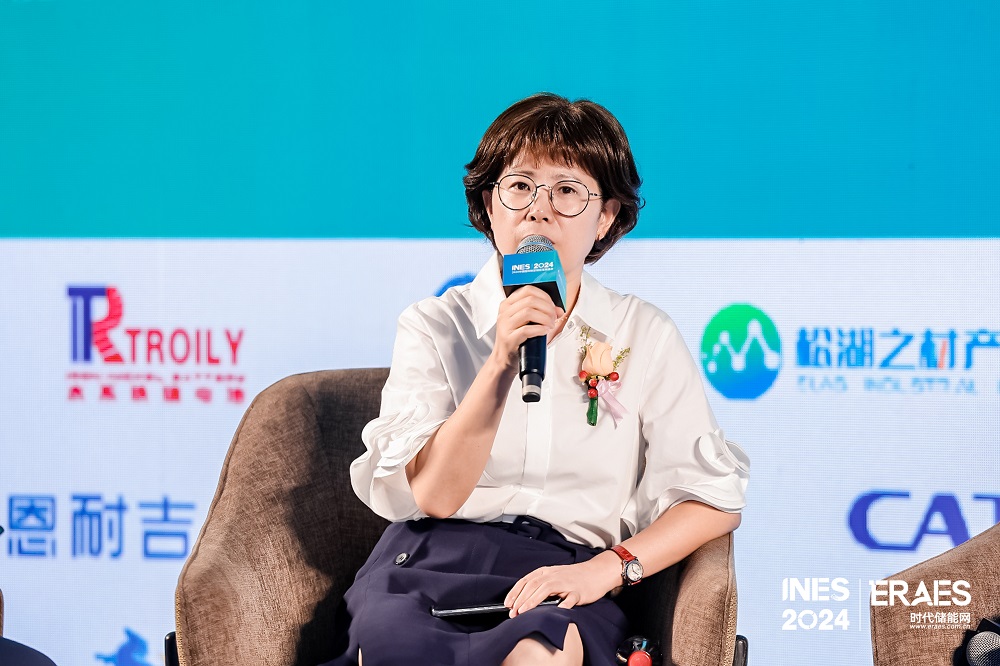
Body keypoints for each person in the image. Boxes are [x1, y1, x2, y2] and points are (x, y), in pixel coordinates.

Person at [323, 93, 750, 666]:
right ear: (489, 204)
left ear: (607, 217)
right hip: (427, 564)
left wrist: (609, 568)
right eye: (520, 186)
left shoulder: (643, 333)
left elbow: (713, 499)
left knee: (539, 655)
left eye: (567, 191)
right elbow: (436, 496)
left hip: (565, 572)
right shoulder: (435, 325)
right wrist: (501, 362)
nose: (538, 210)